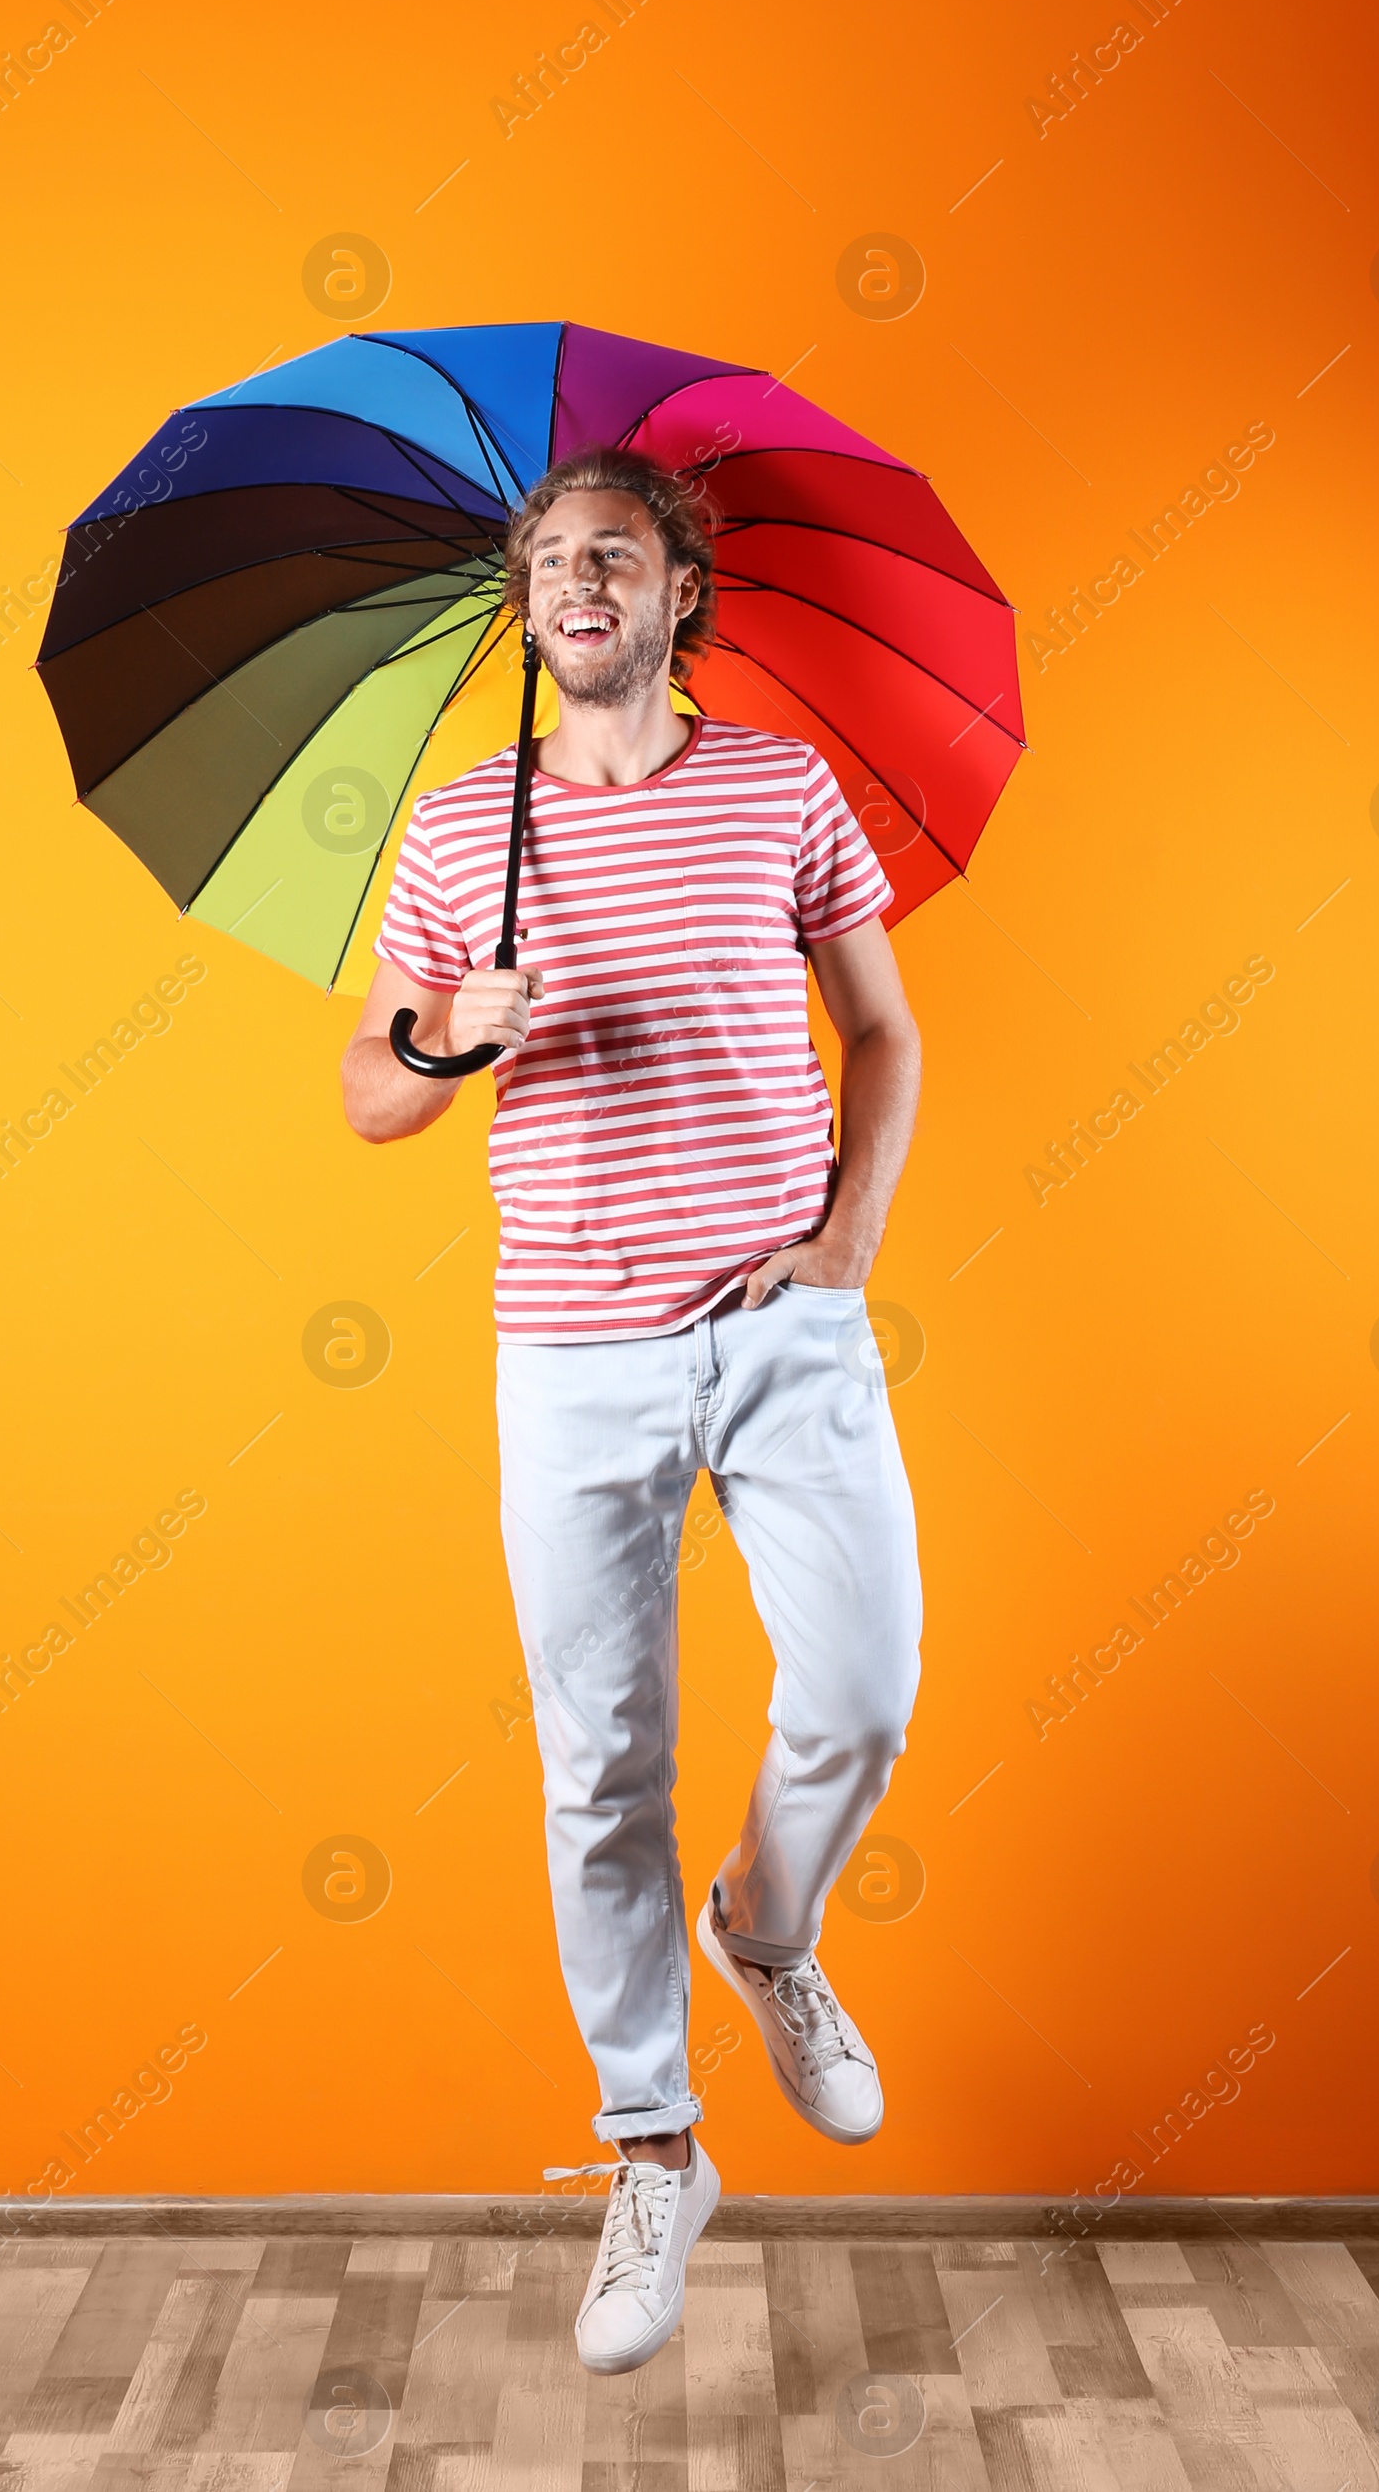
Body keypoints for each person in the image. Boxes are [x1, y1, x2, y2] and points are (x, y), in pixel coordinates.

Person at [343, 444, 923, 2378]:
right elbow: (370, 1094)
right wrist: (450, 1033)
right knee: (598, 1768)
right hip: (569, 1349)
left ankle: (767, 1925)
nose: (579, 583)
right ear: (526, 608)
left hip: (783, 1326)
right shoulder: (460, 831)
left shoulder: (778, 787)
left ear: (683, 593)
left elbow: (887, 1031)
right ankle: (655, 2151)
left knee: (861, 1690)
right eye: (550, 561)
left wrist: (843, 1244)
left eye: (618, 553)